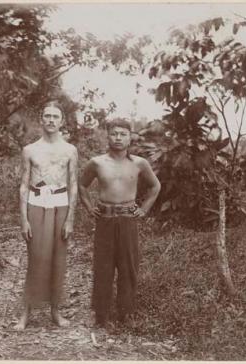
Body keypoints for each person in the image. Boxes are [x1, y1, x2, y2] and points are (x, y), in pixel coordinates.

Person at [78, 118, 161, 326]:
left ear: (130, 137)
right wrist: (89, 208)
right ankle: (101, 314)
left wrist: (143, 210)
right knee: (103, 266)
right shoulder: (97, 162)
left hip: (127, 219)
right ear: (107, 135)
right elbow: (81, 185)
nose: (118, 138)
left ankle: (126, 313)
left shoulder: (139, 163)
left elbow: (155, 187)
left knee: (128, 266)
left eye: (123, 134)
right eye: (114, 133)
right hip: (105, 219)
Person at [15, 100, 78, 330]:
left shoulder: (70, 150)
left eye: (55, 116)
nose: (51, 120)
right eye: (47, 115)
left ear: (62, 121)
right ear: (41, 119)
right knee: (36, 258)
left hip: (60, 205)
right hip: (37, 203)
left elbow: (73, 185)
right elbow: (23, 185)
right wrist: (23, 219)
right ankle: (26, 312)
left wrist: (70, 218)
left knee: (58, 259)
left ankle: (55, 311)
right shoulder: (30, 150)